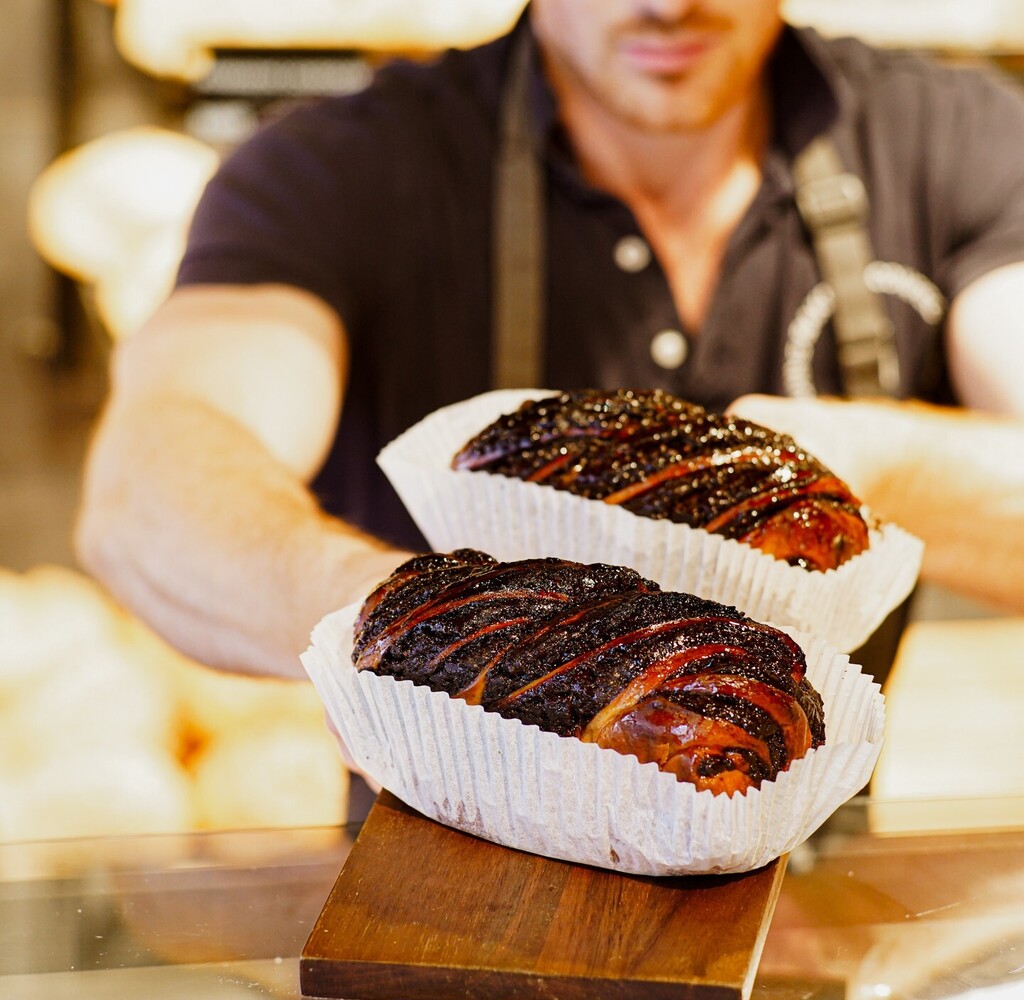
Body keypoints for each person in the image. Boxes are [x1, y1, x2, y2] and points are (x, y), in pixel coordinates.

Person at [76, 0, 1024, 685]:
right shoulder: (339, 167)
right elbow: (144, 492)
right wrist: (431, 628)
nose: (668, 5)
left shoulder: (958, 138)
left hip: (825, 885)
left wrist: (864, 475)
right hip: (441, 902)